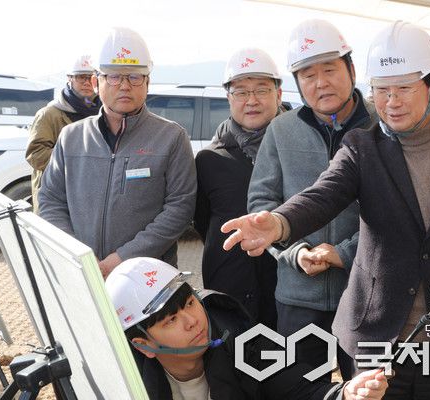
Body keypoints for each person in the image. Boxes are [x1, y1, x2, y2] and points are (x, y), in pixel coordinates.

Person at [222, 21, 430, 400]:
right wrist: (279, 223)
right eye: (381, 90)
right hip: (378, 334)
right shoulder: (362, 146)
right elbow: (323, 195)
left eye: (404, 88)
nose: (391, 101)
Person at [247, 18, 377, 382]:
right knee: (298, 388)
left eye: (330, 69)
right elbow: (261, 203)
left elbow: (397, 210)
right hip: (297, 295)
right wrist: (296, 253)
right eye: (308, 74)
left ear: (351, 70)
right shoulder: (281, 129)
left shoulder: (381, 126)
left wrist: (344, 253)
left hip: (366, 295)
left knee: (368, 388)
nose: (320, 82)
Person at [105, 256, 388, 400]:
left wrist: (345, 394)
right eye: (170, 320)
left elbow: (301, 391)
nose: (192, 320)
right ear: (143, 345)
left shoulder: (244, 339)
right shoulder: (120, 382)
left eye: (190, 303)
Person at [39, 27, 196, 278]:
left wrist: (122, 259)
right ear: (95, 82)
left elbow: (180, 208)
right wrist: (79, 256)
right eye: (113, 76)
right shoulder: (71, 137)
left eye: (135, 77)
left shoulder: (172, 137)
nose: (124, 86)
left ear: (147, 83)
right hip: (81, 273)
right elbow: (50, 200)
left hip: (147, 277)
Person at [194, 47, 281, 328]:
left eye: (262, 90)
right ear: (229, 98)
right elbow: (203, 222)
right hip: (230, 290)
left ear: (279, 94)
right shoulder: (209, 159)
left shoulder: (298, 149)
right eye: (241, 92)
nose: (251, 100)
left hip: (288, 289)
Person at [26, 55, 101, 212]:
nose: (87, 82)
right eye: (81, 77)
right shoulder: (49, 114)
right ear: (70, 78)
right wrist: (78, 160)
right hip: (55, 197)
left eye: (91, 77)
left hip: (89, 197)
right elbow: (36, 155)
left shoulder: (104, 113)